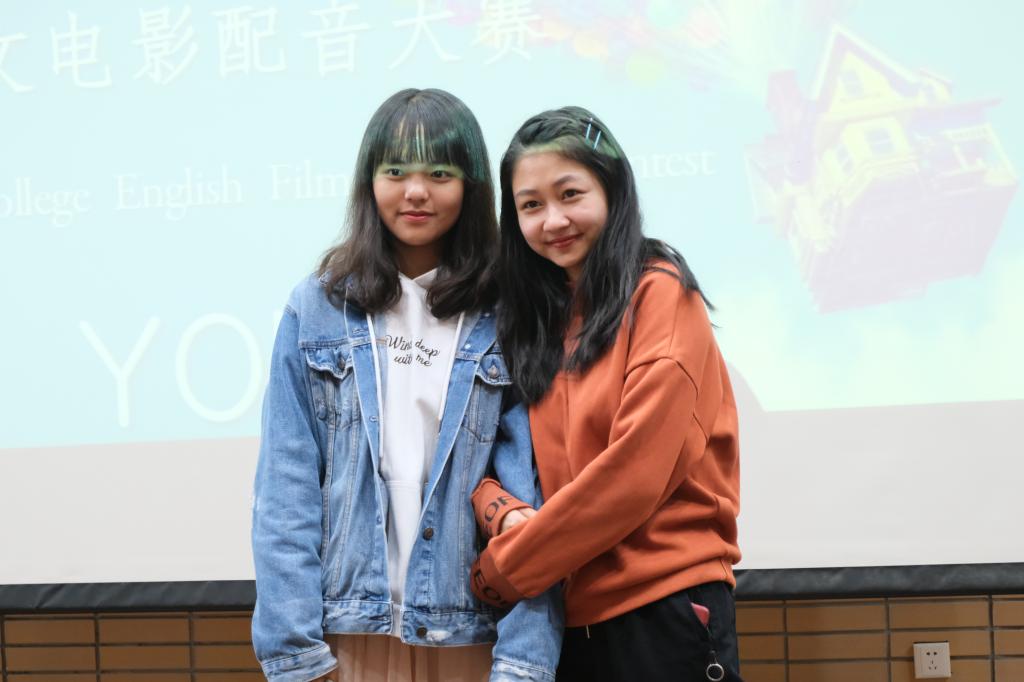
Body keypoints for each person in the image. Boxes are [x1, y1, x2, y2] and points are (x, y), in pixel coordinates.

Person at [251, 88, 563, 682]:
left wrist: (525, 660)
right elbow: (285, 488)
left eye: (439, 173)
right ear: (369, 181)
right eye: (395, 171)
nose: (415, 191)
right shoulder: (317, 307)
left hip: (472, 629)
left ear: (470, 186)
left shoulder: (510, 312)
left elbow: (533, 495)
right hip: (347, 632)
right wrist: (296, 652)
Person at [469, 107, 744, 682]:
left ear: (612, 191)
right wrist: (500, 507)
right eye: (530, 205)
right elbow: (494, 451)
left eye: (570, 194)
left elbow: (632, 477)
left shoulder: (660, 294)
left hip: (664, 606)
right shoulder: (539, 318)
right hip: (565, 619)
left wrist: (504, 569)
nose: (553, 220)